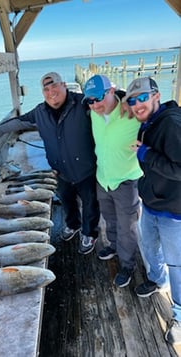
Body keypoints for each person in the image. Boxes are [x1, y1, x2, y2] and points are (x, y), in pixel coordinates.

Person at [0, 72, 100, 255]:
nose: (51, 92)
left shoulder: (82, 102)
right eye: (46, 89)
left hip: (86, 168)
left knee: (90, 203)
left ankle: (89, 233)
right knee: (67, 202)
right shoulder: (40, 112)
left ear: (64, 85)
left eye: (54, 86)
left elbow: (105, 102)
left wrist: (121, 98)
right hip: (60, 170)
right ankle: (73, 225)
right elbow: (19, 122)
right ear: (43, 93)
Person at [123, 76, 181, 345]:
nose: (137, 105)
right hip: (152, 203)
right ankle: (157, 280)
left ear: (156, 95)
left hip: (174, 212)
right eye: (132, 101)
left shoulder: (170, 123)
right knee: (148, 247)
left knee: (177, 265)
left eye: (142, 98)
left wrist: (145, 155)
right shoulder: (149, 121)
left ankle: (178, 315)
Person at [82, 74, 142, 287]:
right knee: (109, 218)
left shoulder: (132, 111)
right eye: (90, 100)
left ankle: (128, 265)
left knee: (128, 226)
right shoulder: (93, 114)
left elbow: (158, 111)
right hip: (103, 178)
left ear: (111, 91)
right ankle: (115, 246)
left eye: (98, 98)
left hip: (126, 180)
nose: (95, 105)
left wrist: (127, 98)